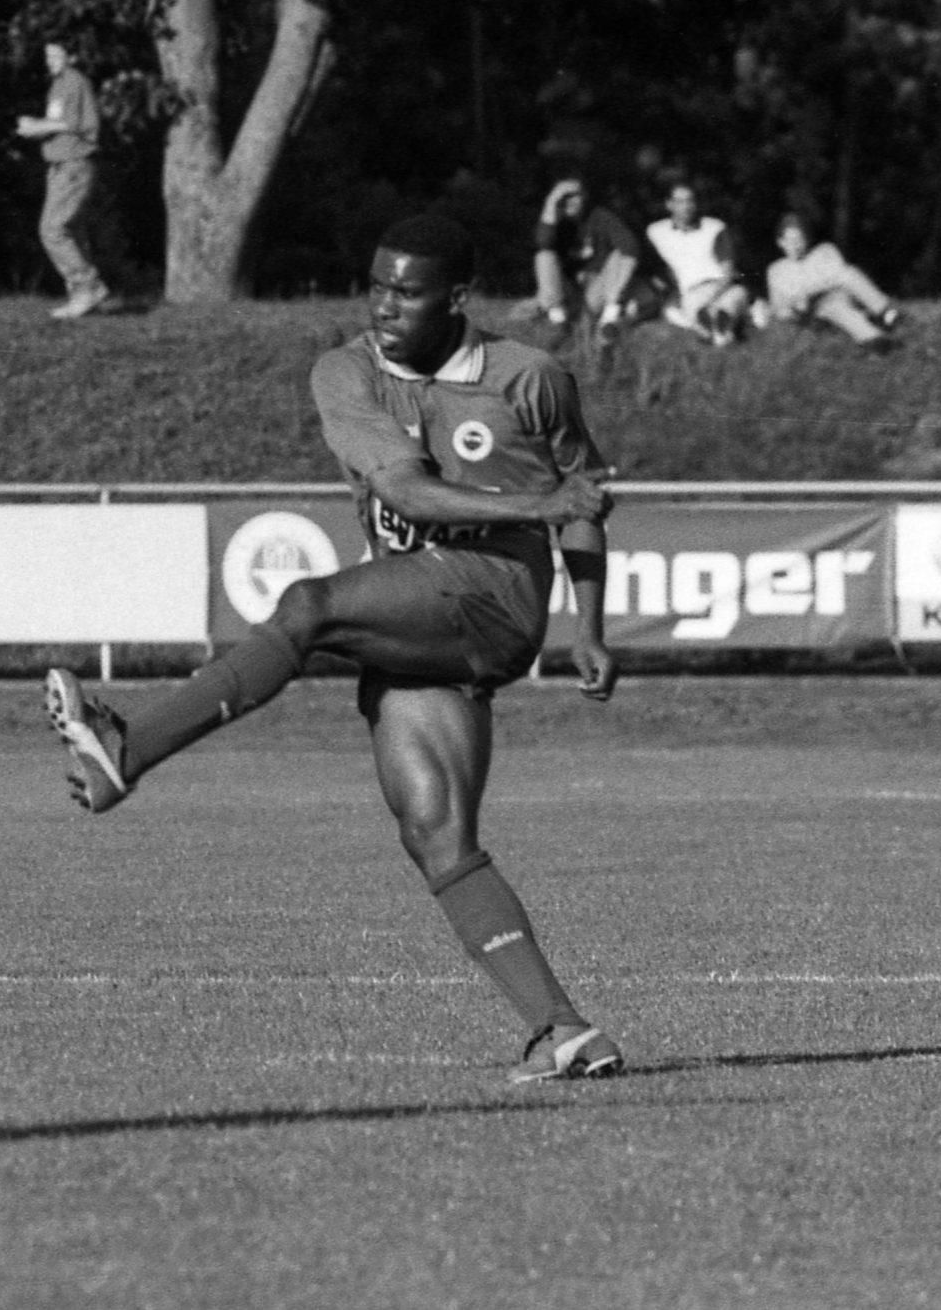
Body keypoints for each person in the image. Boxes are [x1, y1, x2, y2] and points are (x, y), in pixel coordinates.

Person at [43, 214, 629, 1085]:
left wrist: (588, 625)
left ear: (457, 298)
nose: (384, 303)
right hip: (419, 600)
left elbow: (579, 499)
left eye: (407, 290)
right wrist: (542, 509)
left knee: (309, 605)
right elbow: (408, 491)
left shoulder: (532, 378)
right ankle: (566, 1029)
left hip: (494, 593)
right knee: (436, 833)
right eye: (378, 284)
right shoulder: (346, 371)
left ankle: (125, 749)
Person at [15, 41, 109, 320]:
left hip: (73, 165)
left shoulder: (73, 82)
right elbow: (61, 123)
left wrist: (35, 127)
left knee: (52, 229)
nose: (50, 60)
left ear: (72, 55)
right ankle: (84, 297)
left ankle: (87, 287)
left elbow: (77, 124)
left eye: (57, 54)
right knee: (72, 230)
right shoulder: (59, 85)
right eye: (47, 55)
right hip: (61, 166)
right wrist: (37, 126)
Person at [508, 176, 641, 336]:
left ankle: (609, 317)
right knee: (544, 255)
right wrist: (551, 206)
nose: (570, 201)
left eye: (574, 195)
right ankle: (559, 321)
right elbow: (543, 243)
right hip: (565, 293)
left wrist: (615, 293)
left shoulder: (600, 216)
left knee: (622, 254)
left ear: (584, 196)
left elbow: (631, 246)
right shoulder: (553, 220)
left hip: (596, 292)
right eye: (564, 196)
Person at [763, 211, 902, 348]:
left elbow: (840, 274)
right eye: (791, 241)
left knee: (849, 274)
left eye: (800, 240)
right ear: (780, 242)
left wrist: (811, 290)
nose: (796, 246)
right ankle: (874, 338)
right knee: (833, 306)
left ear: (807, 239)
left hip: (843, 295)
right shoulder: (776, 270)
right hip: (814, 310)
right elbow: (778, 306)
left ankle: (885, 311)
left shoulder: (824, 251)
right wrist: (796, 306)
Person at [643, 180, 752, 346]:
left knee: (729, 302)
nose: (686, 207)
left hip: (723, 285)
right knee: (688, 307)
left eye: (690, 200)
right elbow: (653, 266)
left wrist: (712, 295)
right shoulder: (656, 232)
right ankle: (716, 328)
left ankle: (716, 326)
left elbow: (727, 271)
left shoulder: (714, 228)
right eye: (680, 201)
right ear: (669, 204)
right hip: (691, 291)